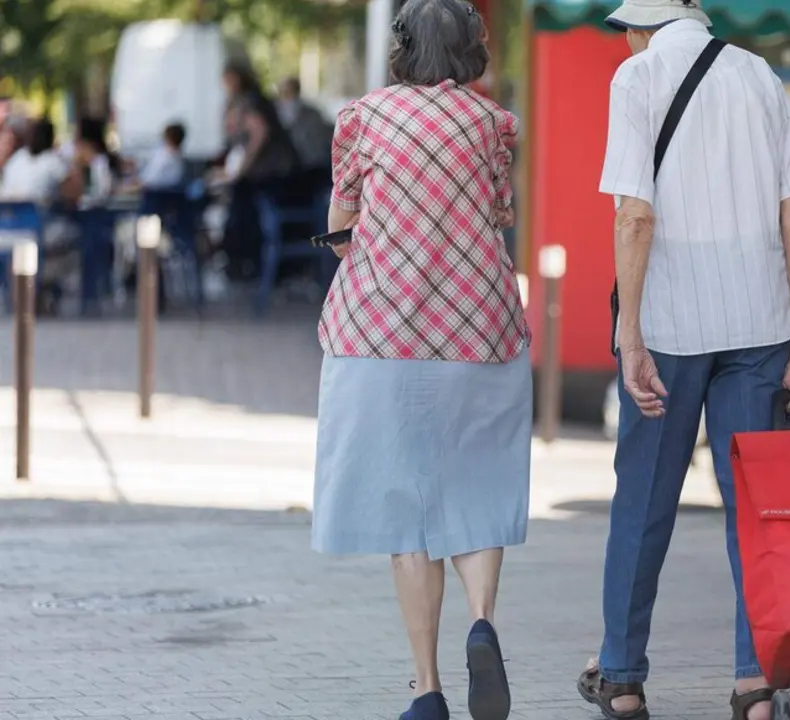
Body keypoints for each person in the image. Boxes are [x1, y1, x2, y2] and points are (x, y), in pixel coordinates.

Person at [575, 2, 790, 720]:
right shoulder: (759, 76)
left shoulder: (637, 79)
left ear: (637, 30)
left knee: (644, 499)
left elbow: (634, 215)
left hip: (670, 328)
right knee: (755, 506)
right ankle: (757, 684)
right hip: (760, 324)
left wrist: (631, 340)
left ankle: (621, 677)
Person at [310, 2, 526, 720]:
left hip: (383, 332)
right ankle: (482, 621)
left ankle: (427, 689)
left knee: (408, 516)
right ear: (472, 48)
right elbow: (500, 212)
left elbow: (342, 221)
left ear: (402, 48)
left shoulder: (363, 119)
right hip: (479, 328)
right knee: (478, 489)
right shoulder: (493, 124)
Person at [219, 63, 299, 278]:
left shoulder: (250, 101)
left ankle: (248, 264)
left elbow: (259, 132)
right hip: (270, 171)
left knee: (247, 212)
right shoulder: (250, 100)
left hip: (271, 172)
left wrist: (243, 167)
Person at [275, 76, 334, 178]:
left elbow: (326, 132)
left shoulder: (311, 112)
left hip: (308, 162)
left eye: (289, 91)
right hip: (288, 164)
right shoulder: (275, 112)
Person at [0, 118, 68, 204]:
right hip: (33, 213)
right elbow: (72, 194)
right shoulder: (52, 160)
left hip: (10, 211)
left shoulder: (17, 158)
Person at [135, 123, 187, 190]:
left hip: (155, 194)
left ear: (168, 139)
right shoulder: (177, 158)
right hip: (153, 191)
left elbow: (150, 182)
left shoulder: (167, 158)